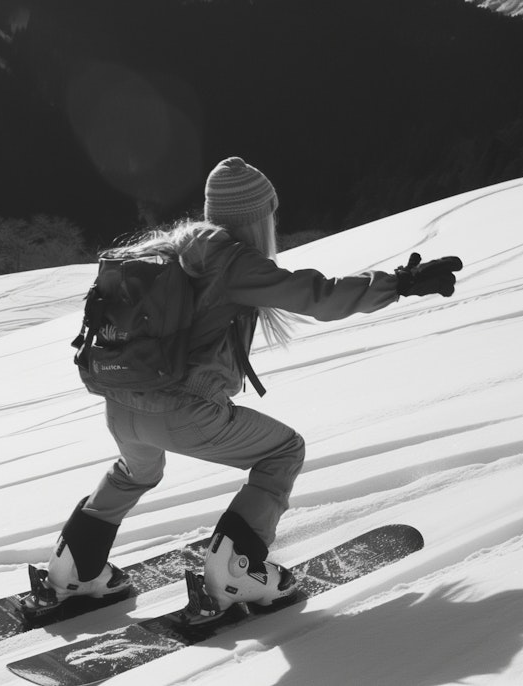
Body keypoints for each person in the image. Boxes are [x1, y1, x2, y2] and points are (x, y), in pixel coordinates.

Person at [42, 157, 462, 620]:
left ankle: (74, 567)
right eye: (270, 214)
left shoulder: (167, 248)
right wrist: (398, 284)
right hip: (183, 411)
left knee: (136, 472)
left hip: (121, 406)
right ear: (257, 217)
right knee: (282, 453)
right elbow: (316, 295)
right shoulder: (231, 262)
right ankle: (235, 571)